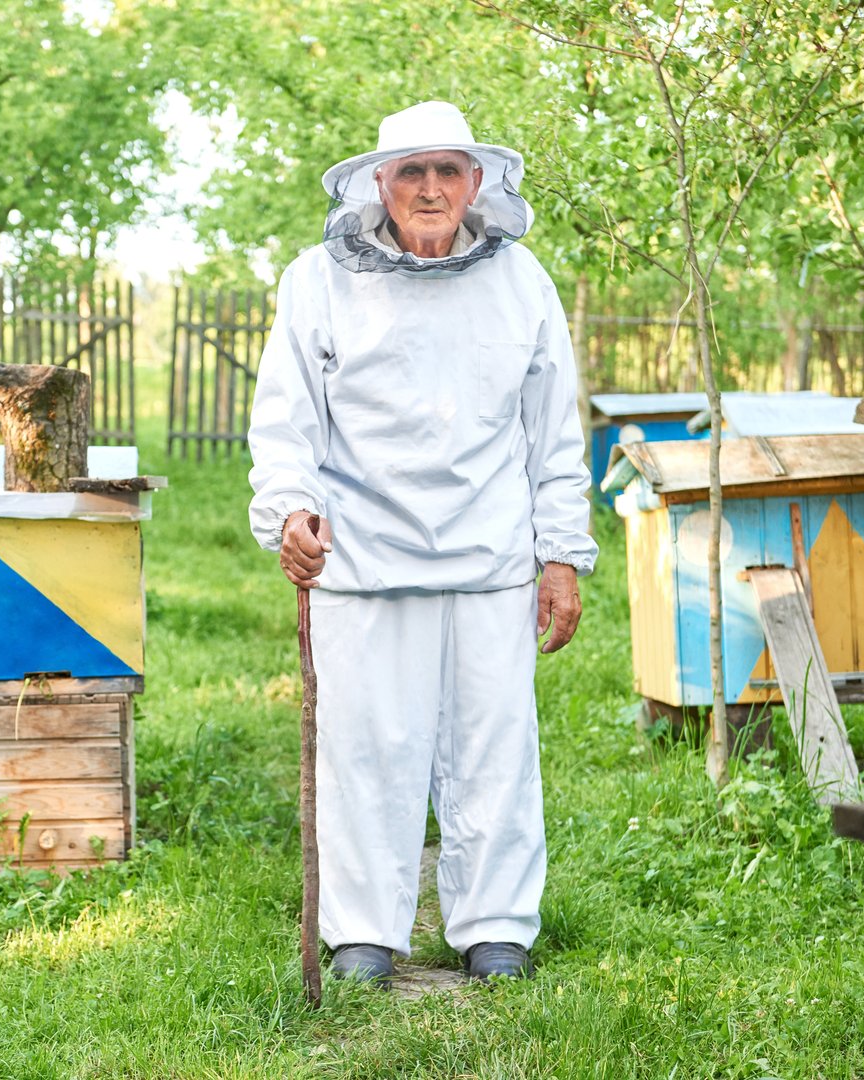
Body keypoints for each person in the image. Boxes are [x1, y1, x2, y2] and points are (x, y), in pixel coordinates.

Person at [247, 100, 597, 984]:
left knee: (495, 749)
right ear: (380, 184)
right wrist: (290, 512)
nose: (431, 187)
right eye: (412, 171)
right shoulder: (316, 281)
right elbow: (285, 421)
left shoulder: (525, 283)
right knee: (365, 747)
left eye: (448, 170)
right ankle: (364, 931)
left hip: (489, 558)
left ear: (477, 181)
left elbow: (553, 433)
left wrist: (560, 554)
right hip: (359, 558)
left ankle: (497, 929)